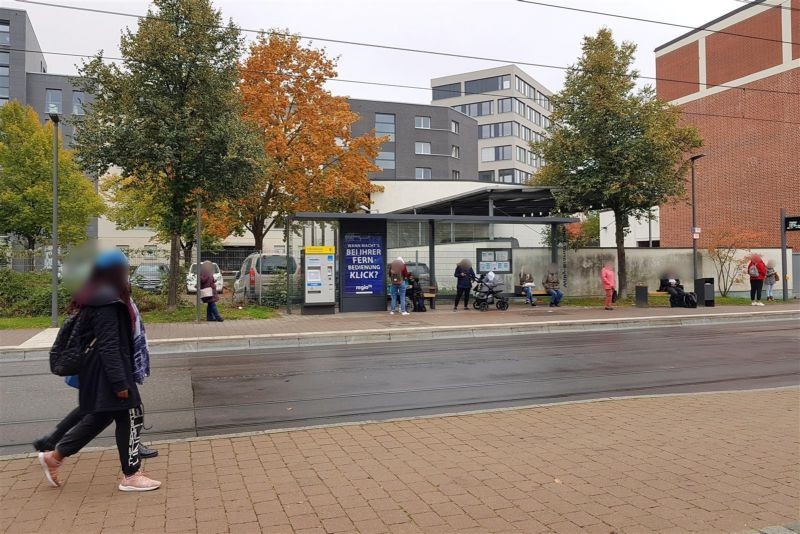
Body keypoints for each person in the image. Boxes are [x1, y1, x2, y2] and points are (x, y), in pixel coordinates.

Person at [38, 250, 161, 492]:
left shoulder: (98, 294)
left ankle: (55, 457)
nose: (127, 273)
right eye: (125, 269)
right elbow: (109, 345)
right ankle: (131, 475)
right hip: (108, 373)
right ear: (116, 272)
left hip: (99, 371)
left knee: (100, 417)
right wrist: (120, 383)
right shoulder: (107, 301)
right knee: (130, 416)